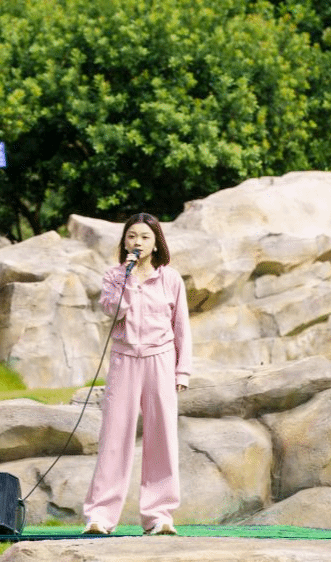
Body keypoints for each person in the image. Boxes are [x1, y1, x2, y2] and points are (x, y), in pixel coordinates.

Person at [82, 212, 192, 536]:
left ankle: (159, 515)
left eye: (144, 237)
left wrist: (182, 371)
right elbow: (113, 310)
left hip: (161, 359)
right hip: (124, 360)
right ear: (124, 241)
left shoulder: (171, 279)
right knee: (114, 438)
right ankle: (100, 517)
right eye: (131, 236)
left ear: (156, 243)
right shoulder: (114, 275)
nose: (137, 242)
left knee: (162, 438)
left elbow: (182, 327)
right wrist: (127, 278)